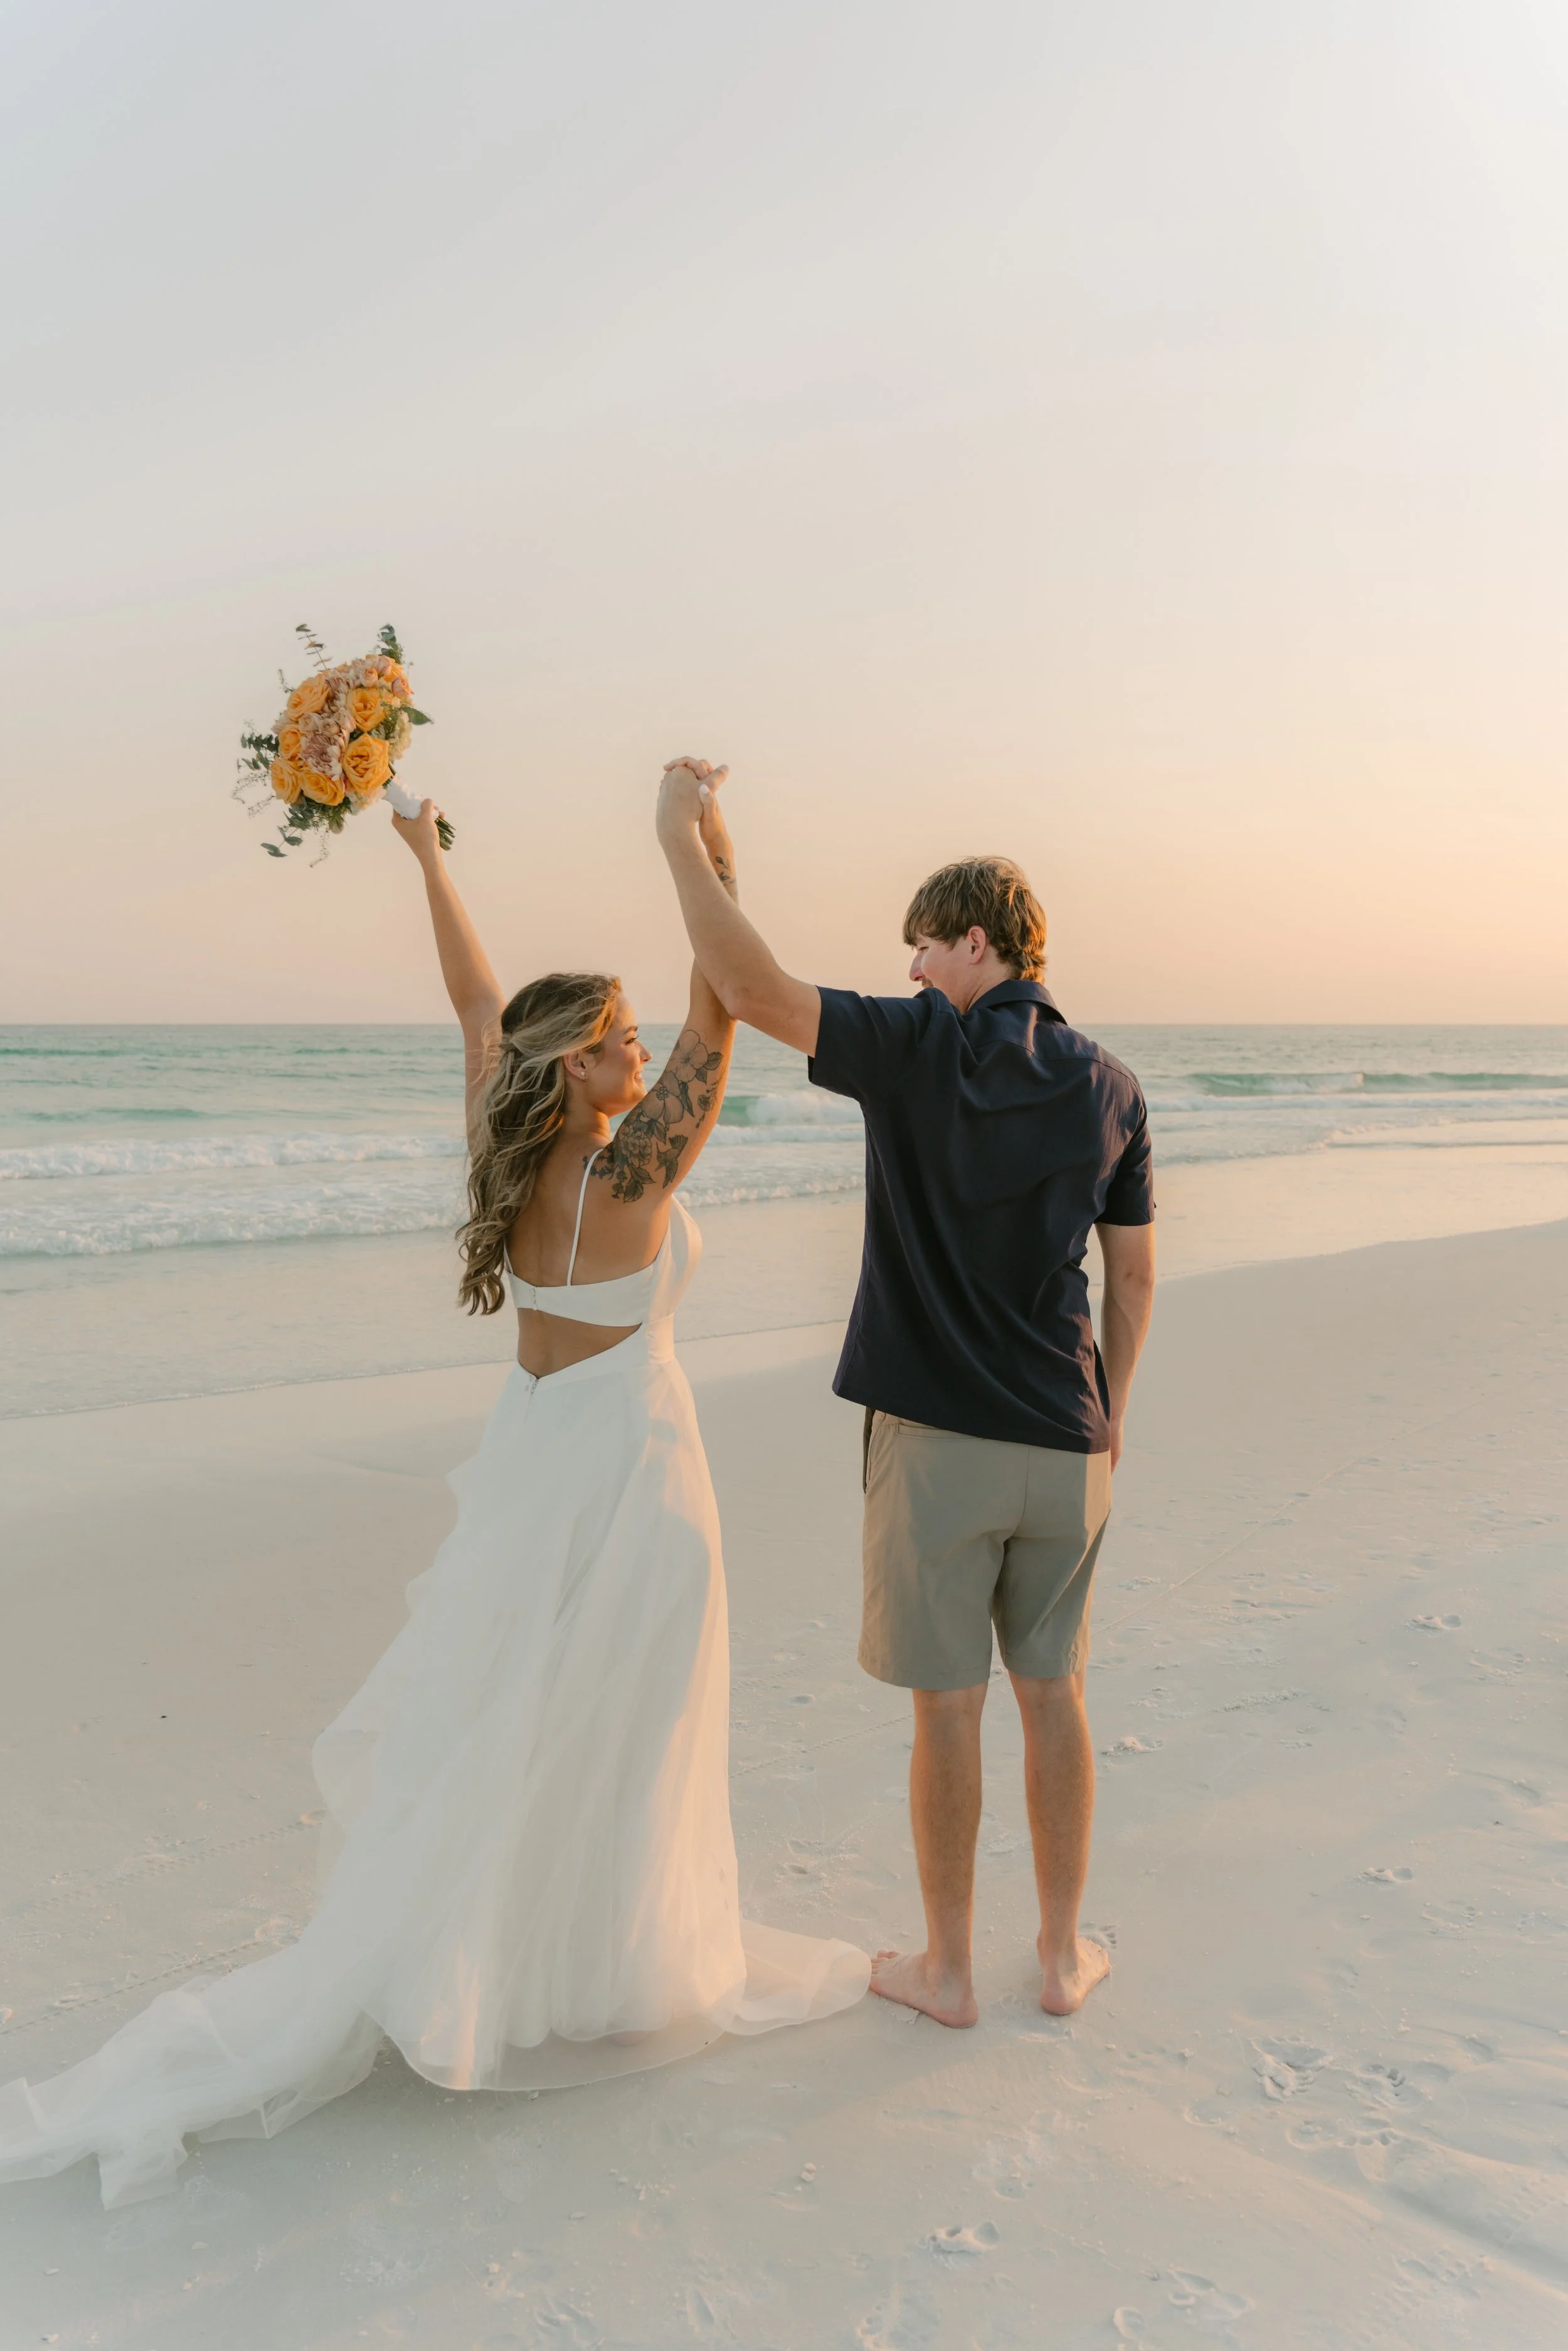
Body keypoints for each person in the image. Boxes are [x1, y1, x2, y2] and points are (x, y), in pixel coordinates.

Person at [0, 792, 866, 2210]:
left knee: (511, 1716)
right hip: (632, 1475)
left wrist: (424, 854)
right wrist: (704, 856)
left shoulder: (503, 1142)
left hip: (528, 1461)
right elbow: (728, 1014)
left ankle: (506, 1960)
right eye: (615, 1035)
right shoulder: (630, 1172)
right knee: (619, 1722)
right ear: (579, 1069)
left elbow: (476, 993)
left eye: (632, 1030)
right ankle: (589, 1976)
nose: (639, 1046)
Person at [656, 759, 1155, 2029]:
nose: (913, 969)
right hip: (1067, 1436)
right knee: (1055, 1694)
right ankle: (1054, 1956)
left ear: (973, 939)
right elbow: (1132, 1269)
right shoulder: (1109, 1081)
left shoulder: (918, 1043)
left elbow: (751, 988)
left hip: (937, 1441)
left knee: (950, 1707)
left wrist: (679, 835)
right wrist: (1110, 1416)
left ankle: (944, 1969)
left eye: (922, 946)